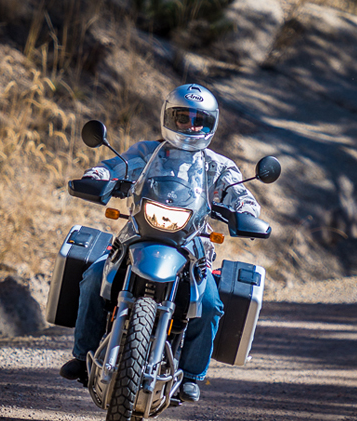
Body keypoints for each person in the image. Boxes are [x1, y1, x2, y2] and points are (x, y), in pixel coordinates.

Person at [59, 84, 261, 402]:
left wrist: (245, 212)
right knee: (94, 277)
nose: (190, 126)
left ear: (211, 125)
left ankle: (192, 374)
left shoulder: (218, 166)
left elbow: (240, 194)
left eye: (200, 121)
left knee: (209, 302)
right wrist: (98, 174)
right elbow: (115, 166)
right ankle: (83, 355)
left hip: (192, 246)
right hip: (138, 234)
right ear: (168, 117)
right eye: (183, 118)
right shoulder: (146, 151)